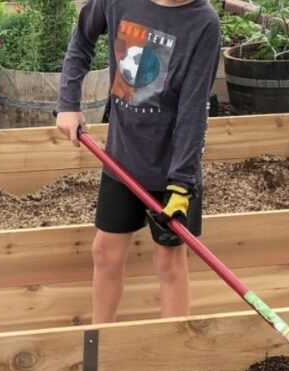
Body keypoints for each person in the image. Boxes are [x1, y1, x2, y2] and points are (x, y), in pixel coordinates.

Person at [55, 0, 221, 324]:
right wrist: (68, 103)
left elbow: (193, 110)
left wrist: (181, 184)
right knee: (105, 253)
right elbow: (82, 40)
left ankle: (174, 365)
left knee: (169, 262)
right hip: (122, 159)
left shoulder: (203, 23)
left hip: (173, 170)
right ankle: (99, 342)